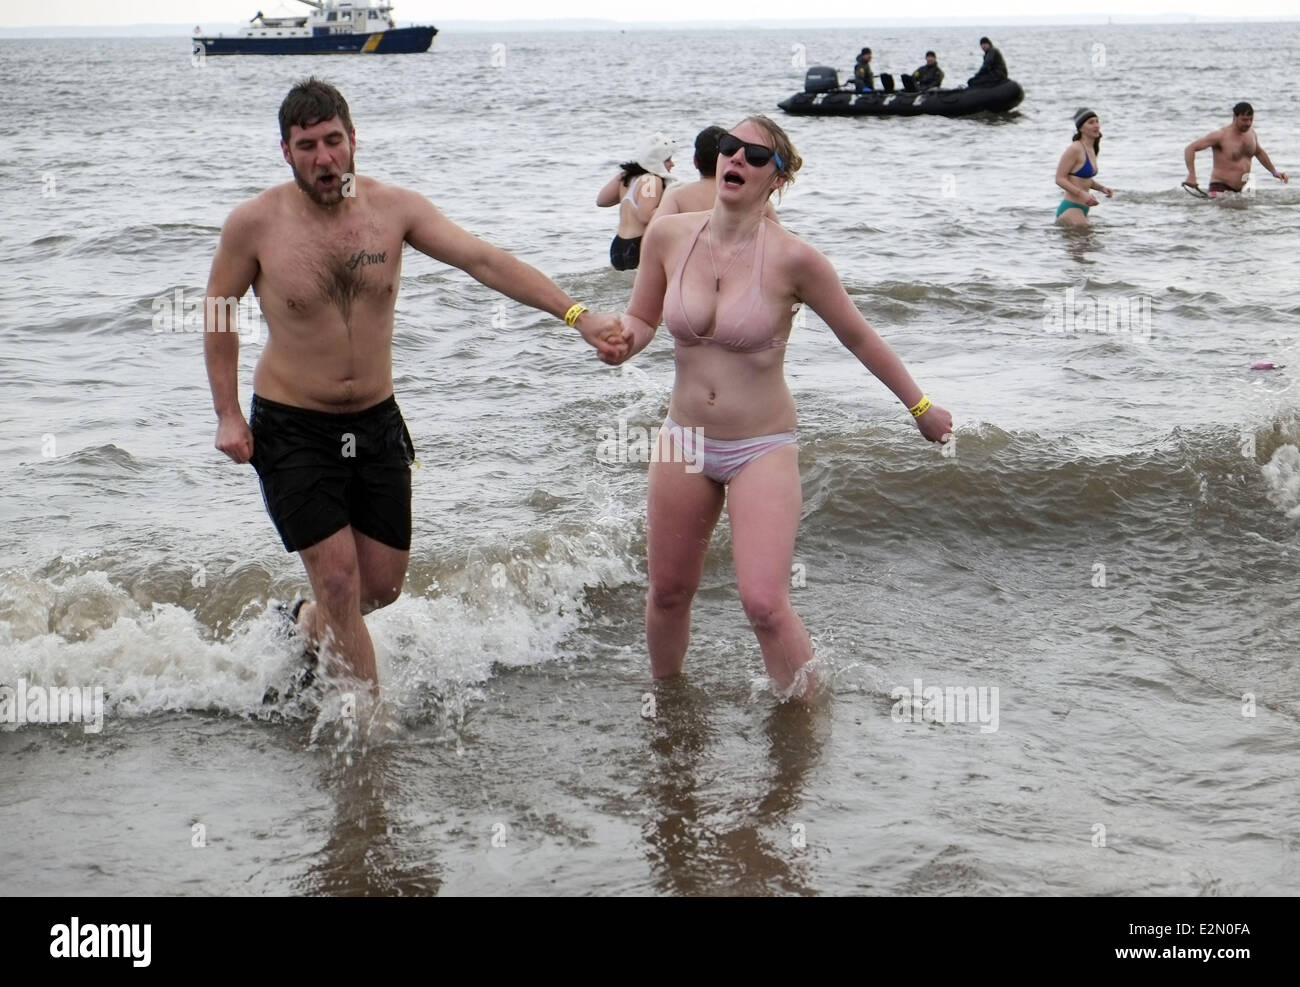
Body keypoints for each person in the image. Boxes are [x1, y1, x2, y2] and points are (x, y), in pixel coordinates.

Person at [203, 77, 623, 689]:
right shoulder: (254, 225)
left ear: (353, 140)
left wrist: (578, 316)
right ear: (285, 152)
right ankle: (368, 737)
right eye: (307, 146)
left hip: (375, 421)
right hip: (292, 425)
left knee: (379, 587)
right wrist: (227, 413)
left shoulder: (396, 210)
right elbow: (217, 309)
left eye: (333, 141)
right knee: (341, 580)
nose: (324, 159)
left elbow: (484, 261)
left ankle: (300, 623)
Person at [604, 115, 953, 698]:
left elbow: (860, 337)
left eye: (755, 156)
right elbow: (642, 319)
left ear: (778, 179)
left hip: (760, 447)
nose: (736, 159)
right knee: (668, 591)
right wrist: (623, 342)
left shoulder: (797, 260)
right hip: (684, 438)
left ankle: (808, 719)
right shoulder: (668, 235)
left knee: (764, 602)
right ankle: (668, 709)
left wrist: (920, 408)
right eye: (730, 149)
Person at [652, 125, 779, 224]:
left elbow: (652, 237)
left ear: (695, 162)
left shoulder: (677, 196)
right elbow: (780, 241)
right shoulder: (757, 201)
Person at [596, 133, 682, 270]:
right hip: (637, 246)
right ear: (655, 160)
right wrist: (675, 206)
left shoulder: (626, 176)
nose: (672, 164)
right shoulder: (651, 180)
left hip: (617, 246)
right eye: (668, 160)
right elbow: (645, 215)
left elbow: (602, 200)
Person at [1184, 102, 1289, 196]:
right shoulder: (1221, 135)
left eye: (1250, 119)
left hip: (1240, 192)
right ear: (1234, 117)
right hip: (1220, 188)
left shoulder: (1251, 134)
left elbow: (1259, 152)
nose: (1248, 123)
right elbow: (1190, 148)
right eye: (1244, 120)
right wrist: (1192, 175)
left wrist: (1274, 172)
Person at [1055, 109, 1113, 227]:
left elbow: (1084, 179)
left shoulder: (1092, 149)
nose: (1096, 125)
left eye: (1097, 121)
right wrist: (1082, 194)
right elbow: (1060, 179)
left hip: (1083, 210)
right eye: (1091, 122)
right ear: (1081, 128)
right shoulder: (1075, 149)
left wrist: (1101, 188)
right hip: (1071, 208)